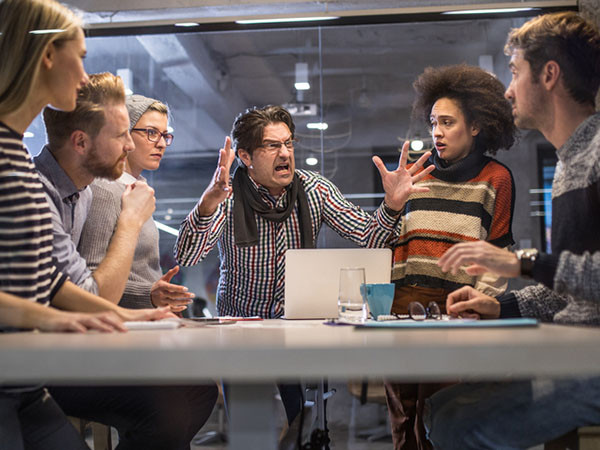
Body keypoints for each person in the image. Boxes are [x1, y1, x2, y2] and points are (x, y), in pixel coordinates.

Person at [174, 104, 434, 434]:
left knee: (305, 427)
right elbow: (187, 255)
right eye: (272, 145)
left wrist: (393, 206)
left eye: (289, 143)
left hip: (295, 329)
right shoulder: (226, 197)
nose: (285, 153)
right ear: (246, 156)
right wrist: (207, 204)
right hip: (241, 331)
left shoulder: (314, 190)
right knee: (251, 433)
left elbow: (371, 238)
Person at [425, 11, 600, 449]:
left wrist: (522, 262)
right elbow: (569, 290)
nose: (507, 89)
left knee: (455, 426)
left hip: (590, 362)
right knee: (440, 409)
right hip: (572, 351)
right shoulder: (568, 164)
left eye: (516, 72)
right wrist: (497, 305)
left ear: (549, 76)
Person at [0, 1, 170, 448]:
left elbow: (49, 280)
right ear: (47, 56)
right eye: (80, 56)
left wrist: (124, 316)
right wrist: (50, 320)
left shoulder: (16, 152)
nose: (82, 76)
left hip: (24, 383)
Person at [35, 73, 217, 449]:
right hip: (44, 360)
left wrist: (139, 308)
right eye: (124, 135)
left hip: (64, 345)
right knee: (166, 411)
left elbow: (64, 287)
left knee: (194, 392)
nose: (131, 144)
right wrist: (131, 223)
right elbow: (90, 290)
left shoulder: (80, 192)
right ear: (82, 142)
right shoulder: (51, 194)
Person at [384, 64, 517, 450]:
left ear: (475, 126)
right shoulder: (415, 178)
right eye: (432, 122)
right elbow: (389, 243)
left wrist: (481, 308)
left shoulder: (496, 179)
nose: (437, 132)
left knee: (444, 418)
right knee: (403, 422)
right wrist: (390, 206)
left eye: (447, 122)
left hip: (457, 309)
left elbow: (497, 252)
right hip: (402, 307)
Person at [77, 94, 194, 311]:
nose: (161, 143)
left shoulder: (135, 188)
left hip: (145, 323)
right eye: (151, 133)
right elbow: (91, 281)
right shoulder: (104, 189)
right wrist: (148, 294)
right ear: (124, 135)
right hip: (121, 329)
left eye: (165, 135)